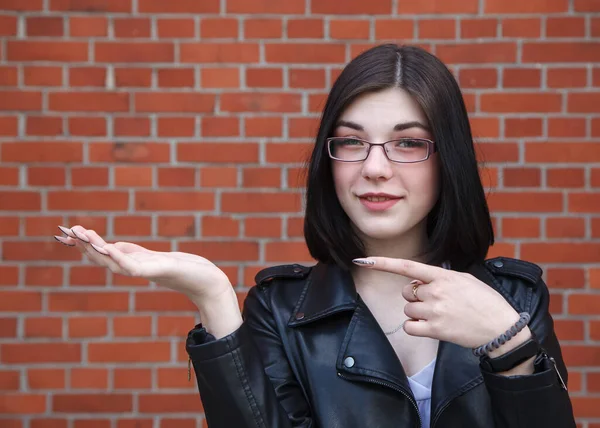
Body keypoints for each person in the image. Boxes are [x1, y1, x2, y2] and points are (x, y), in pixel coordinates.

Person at [53, 44, 576, 427]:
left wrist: (510, 347)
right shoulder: (282, 310)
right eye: (351, 143)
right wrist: (210, 294)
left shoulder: (514, 300)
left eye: (407, 143)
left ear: (449, 161)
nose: (374, 168)